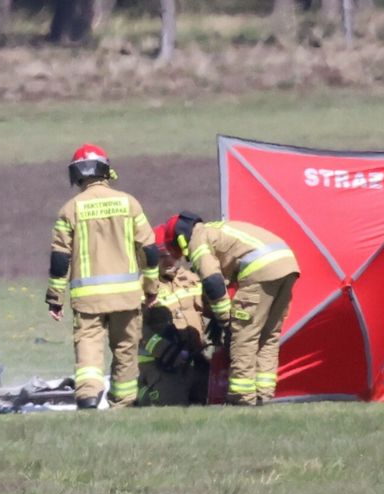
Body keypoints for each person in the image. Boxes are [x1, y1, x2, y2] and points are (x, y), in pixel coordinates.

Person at [44, 144, 160, 409]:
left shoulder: (70, 209)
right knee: (126, 351)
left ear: (76, 174)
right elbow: (150, 250)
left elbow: (60, 259)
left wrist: (55, 298)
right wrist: (151, 287)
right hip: (127, 296)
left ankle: (87, 396)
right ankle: (124, 402)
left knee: (88, 348)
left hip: (88, 300)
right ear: (106, 170)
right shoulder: (129, 203)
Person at [159, 212, 300, 405]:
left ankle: (242, 398)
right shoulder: (217, 229)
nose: (182, 257)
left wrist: (225, 320)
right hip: (287, 265)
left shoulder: (197, 240)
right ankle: (264, 395)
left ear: (180, 240)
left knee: (244, 335)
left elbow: (213, 281)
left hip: (260, 270)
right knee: (268, 335)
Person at [137, 226, 208, 406]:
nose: (168, 260)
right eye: (161, 255)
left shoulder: (193, 279)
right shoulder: (142, 288)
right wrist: (165, 351)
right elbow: (136, 329)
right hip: (160, 362)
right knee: (172, 403)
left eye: (172, 254)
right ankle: (141, 392)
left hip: (196, 358)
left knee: (211, 397)